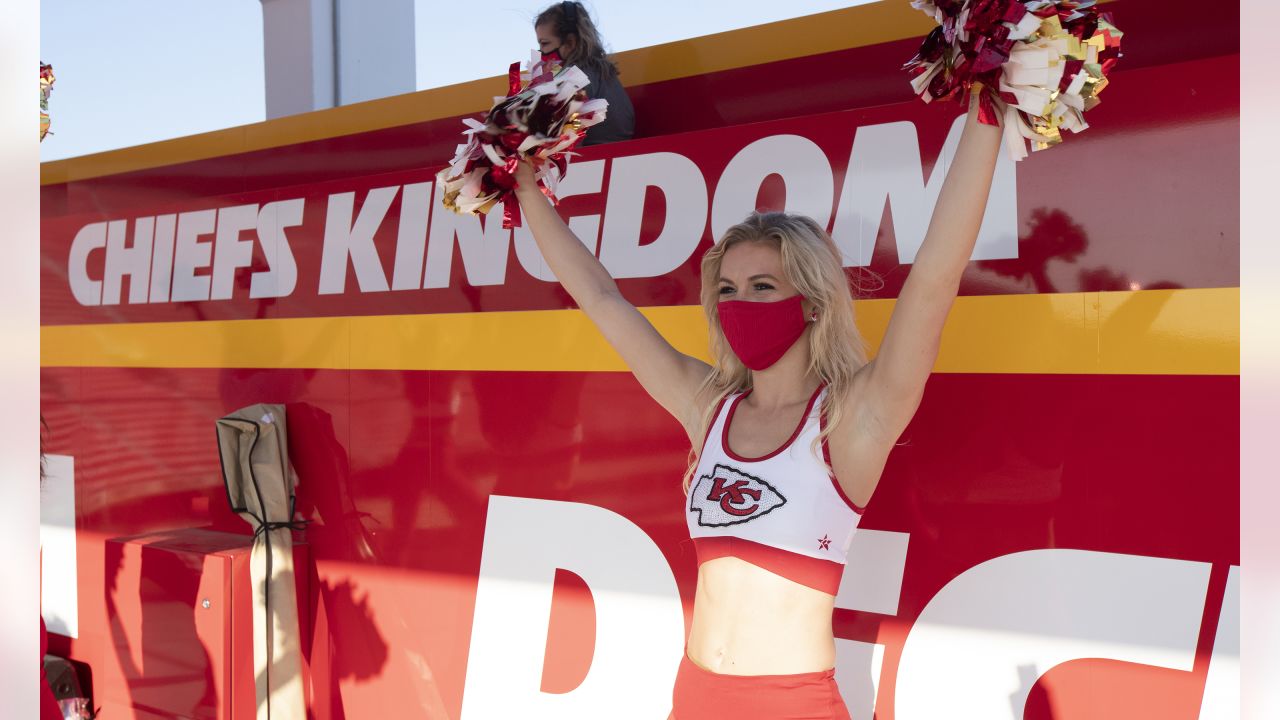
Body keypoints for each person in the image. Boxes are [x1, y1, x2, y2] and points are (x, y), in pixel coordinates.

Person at [512, 89, 1001, 719]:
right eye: (729, 289)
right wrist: (524, 186)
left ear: (814, 303)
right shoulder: (708, 408)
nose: (740, 302)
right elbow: (603, 300)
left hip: (790, 706)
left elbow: (936, 275)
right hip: (692, 697)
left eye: (763, 286)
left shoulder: (852, 419)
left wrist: (989, 102)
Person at [534, 1, 634, 145]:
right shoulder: (598, 72)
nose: (541, 52)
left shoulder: (579, 78)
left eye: (545, 43)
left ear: (570, 42)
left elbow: (571, 129)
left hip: (593, 159)